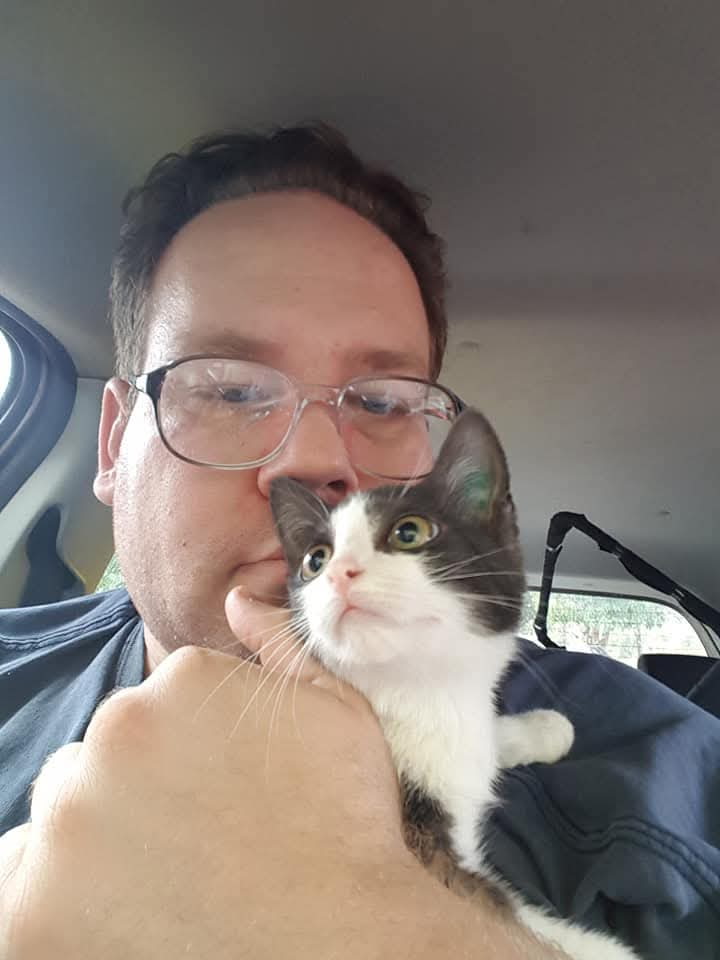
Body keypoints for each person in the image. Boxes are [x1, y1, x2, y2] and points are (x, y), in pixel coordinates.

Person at [0, 124, 718, 960]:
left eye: (381, 403)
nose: (314, 463)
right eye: (229, 389)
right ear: (112, 445)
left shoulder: (651, 775)